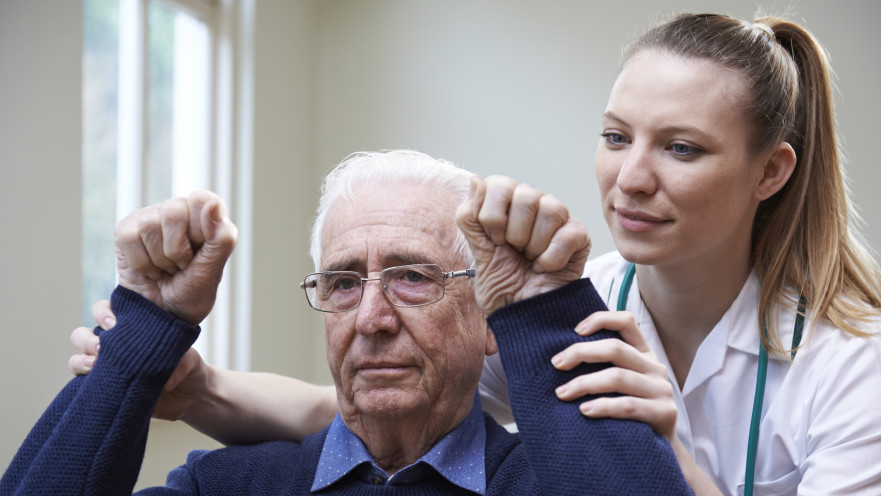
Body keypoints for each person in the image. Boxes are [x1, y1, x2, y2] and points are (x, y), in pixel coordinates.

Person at [67, 11, 881, 495]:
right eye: (614, 137)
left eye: (680, 148)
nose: (630, 178)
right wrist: (193, 387)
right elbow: (358, 401)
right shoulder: (573, 303)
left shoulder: (853, 363)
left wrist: (662, 451)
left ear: (770, 172)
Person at [1, 150, 693, 495]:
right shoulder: (226, 487)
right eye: (341, 282)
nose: (370, 318)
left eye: (413, 277)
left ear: (489, 315)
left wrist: (542, 314)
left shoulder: (549, 484)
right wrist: (145, 328)